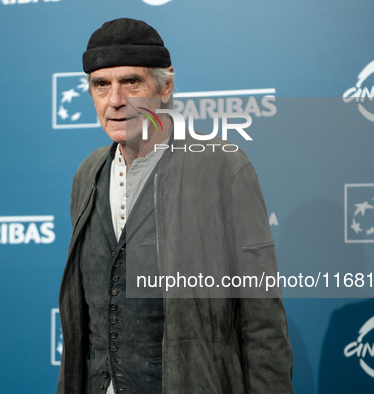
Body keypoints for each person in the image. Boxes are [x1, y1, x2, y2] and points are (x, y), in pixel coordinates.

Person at [57, 18, 293, 394]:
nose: (115, 100)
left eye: (131, 82)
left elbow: (261, 320)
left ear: (165, 86)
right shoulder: (88, 175)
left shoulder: (223, 166)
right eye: (101, 85)